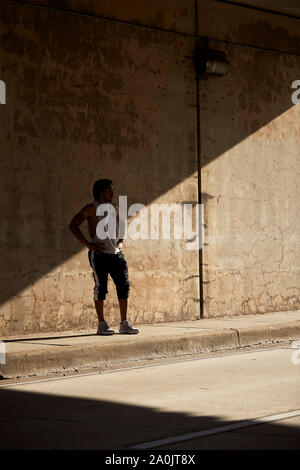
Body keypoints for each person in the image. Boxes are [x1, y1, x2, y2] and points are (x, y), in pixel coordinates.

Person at [69, 178, 140, 335]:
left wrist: (121, 241)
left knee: (124, 286)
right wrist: (89, 245)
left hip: (116, 254)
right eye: (110, 189)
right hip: (99, 255)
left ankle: (124, 323)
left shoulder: (113, 208)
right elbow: (73, 225)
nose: (112, 192)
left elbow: (122, 225)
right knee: (100, 288)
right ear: (102, 191)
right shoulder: (91, 208)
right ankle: (102, 324)